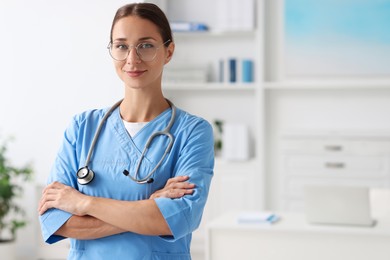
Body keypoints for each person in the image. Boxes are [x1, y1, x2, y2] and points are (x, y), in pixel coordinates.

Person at [38, 3, 214, 260]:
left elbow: (176, 220)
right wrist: (148, 208)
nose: (132, 59)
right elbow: (56, 221)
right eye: (121, 46)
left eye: (146, 45)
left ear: (168, 51)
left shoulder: (193, 132)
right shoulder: (82, 128)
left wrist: (83, 203)